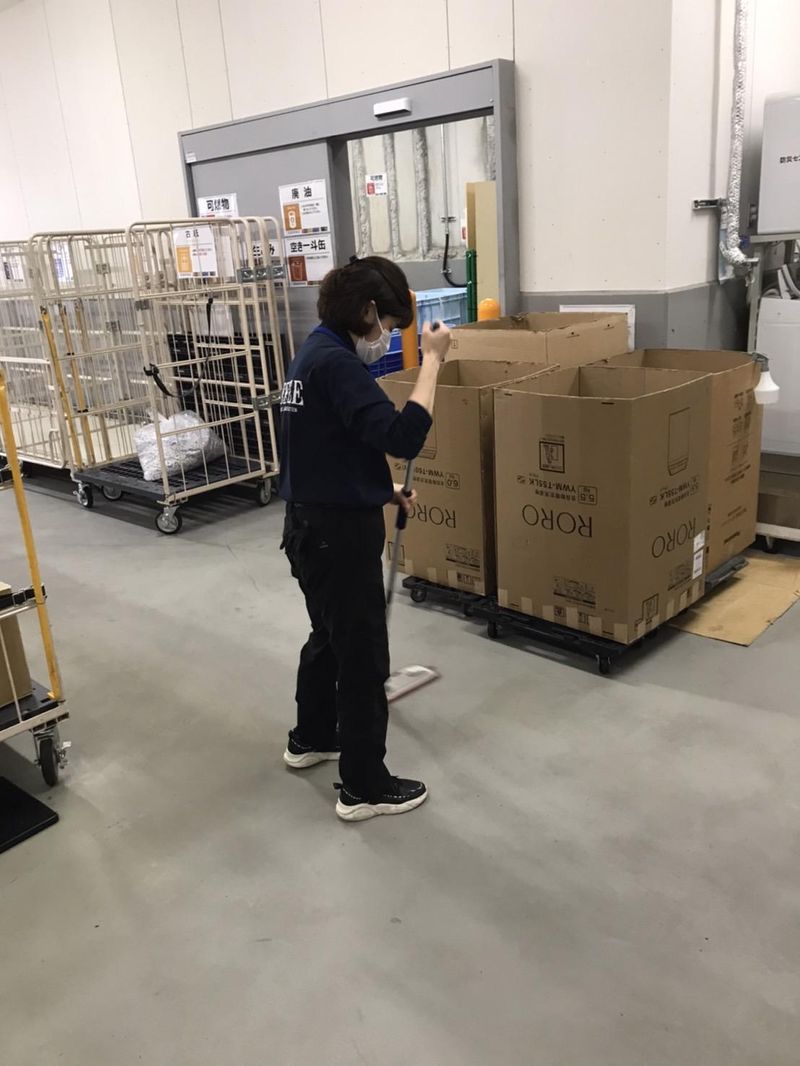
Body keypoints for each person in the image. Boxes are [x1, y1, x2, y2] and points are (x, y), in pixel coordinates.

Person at [278, 255, 451, 821]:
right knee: (362, 658)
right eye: (390, 325)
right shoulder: (339, 365)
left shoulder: (312, 354)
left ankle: (311, 736)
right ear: (369, 311)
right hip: (337, 539)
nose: (387, 337)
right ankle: (364, 786)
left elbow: (327, 445)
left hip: (308, 527)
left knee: (328, 637)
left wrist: (381, 490)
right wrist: (433, 361)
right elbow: (402, 436)